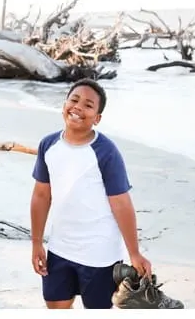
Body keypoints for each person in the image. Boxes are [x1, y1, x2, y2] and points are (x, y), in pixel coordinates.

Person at [29, 78, 152, 309]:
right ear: (64, 105)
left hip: (100, 254)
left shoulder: (106, 152)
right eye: (74, 100)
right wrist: (37, 243)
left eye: (88, 105)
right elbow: (41, 196)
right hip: (60, 248)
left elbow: (121, 204)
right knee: (55, 306)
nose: (78, 107)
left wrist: (134, 253)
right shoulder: (48, 145)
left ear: (97, 118)